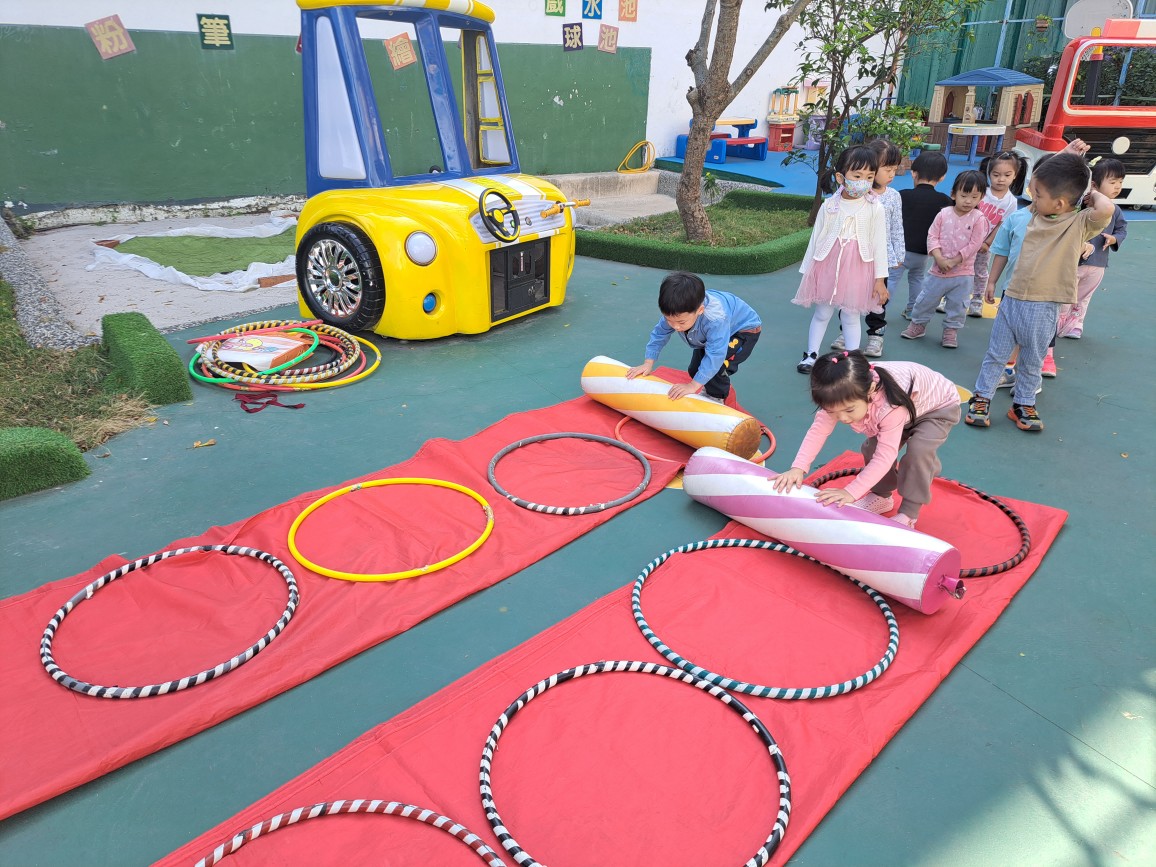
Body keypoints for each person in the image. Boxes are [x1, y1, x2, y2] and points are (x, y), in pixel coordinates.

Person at [965, 145, 1114, 432]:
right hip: (1012, 299)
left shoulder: (1078, 223)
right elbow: (1038, 180)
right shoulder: (1032, 214)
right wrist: (1064, 155)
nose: (1033, 198)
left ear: (1059, 203)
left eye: (1040, 196)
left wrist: (1088, 193)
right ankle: (981, 397)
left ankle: (1023, 403)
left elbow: (1106, 208)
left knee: (1032, 359)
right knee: (996, 354)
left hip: (1045, 306)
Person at [772, 350, 961, 529]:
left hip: (937, 408)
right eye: (832, 412)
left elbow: (885, 457)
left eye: (849, 410)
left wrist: (851, 492)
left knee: (919, 452)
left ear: (870, 390)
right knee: (872, 448)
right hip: (905, 407)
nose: (843, 418)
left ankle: (909, 512)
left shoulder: (889, 405)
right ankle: (881, 496)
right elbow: (817, 432)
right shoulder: (837, 393)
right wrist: (798, 467)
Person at [792, 145, 889, 373]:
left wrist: (880, 279)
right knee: (822, 312)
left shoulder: (875, 208)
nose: (863, 182)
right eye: (857, 176)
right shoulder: (829, 206)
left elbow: (879, 244)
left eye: (869, 177)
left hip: (858, 267)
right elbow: (816, 238)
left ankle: (853, 360)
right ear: (840, 177)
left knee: (851, 315)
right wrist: (808, 271)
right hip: (828, 264)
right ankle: (811, 355)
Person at [627, 271, 761, 401]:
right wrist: (648, 363)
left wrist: (692, 386)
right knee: (695, 369)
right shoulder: (674, 313)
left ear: (700, 310)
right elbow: (659, 334)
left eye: (681, 322)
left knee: (717, 367)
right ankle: (710, 390)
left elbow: (716, 355)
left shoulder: (715, 320)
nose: (675, 327)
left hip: (742, 331)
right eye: (669, 320)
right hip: (713, 332)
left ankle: (717, 397)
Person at [831, 138, 905, 358]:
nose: (891, 174)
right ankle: (846, 332)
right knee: (848, 296)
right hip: (855, 256)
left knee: (877, 298)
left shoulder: (893, 196)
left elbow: (896, 227)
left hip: (881, 258)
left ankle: (876, 335)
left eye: (894, 170)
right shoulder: (853, 193)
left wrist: (898, 253)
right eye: (887, 169)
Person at [900, 170, 990, 348]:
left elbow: (975, 244)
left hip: (963, 274)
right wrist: (939, 257)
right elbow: (932, 236)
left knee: (958, 305)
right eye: (964, 195)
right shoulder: (943, 214)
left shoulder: (979, 219)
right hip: (938, 271)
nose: (968, 201)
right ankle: (918, 324)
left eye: (974, 197)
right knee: (926, 299)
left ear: (981, 197)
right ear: (953, 194)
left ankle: (951, 330)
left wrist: (955, 261)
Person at [1058, 157, 1128, 339]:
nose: (1117, 187)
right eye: (1112, 182)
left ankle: (1076, 325)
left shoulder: (1115, 210)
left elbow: (1122, 229)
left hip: (1098, 264)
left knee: (1084, 297)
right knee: (1066, 293)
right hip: (1075, 262)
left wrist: (1114, 238)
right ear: (1095, 185)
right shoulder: (1084, 205)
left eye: (1120, 182)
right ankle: (1059, 321)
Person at [968, 150, 1028, 317]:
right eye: (996, 175)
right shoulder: (982, 193)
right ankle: (950, 297)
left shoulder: (1011, 202)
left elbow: (1002, 225)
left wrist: (987, 242)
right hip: (967, 240)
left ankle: (977, 301)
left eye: (1007, 175)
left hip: (984, 245)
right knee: (959, 268)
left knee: (980, 272)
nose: (1001, 179)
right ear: (989, 173)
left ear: (1015, 175)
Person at [897, 151, 953, 321]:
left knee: (890, 280)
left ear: (913, 173)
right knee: (917, 279)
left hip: (899, 250)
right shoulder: (944, 201)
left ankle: (879, 311)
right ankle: (912, 310)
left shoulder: (902, 195)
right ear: (942, 177)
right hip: (923, 252)